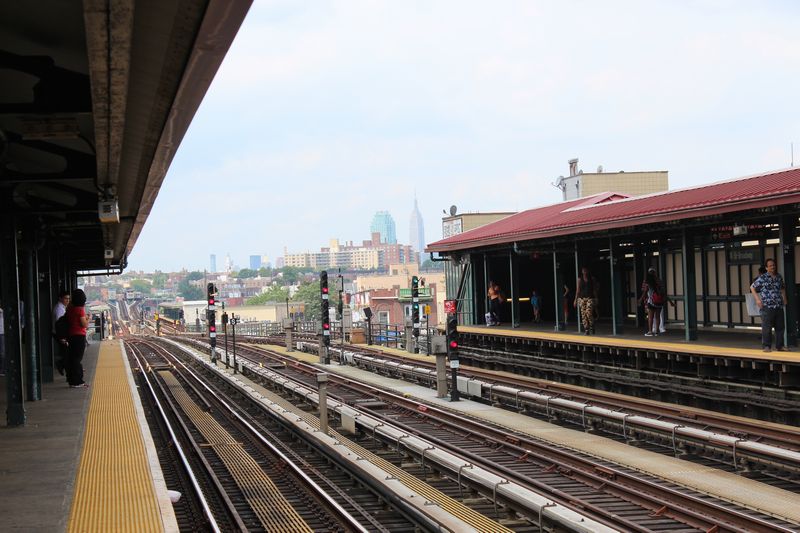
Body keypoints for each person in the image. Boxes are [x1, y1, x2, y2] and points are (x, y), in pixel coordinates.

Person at [750, 258, 789, 353]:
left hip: (778, 305)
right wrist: (758, 300)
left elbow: (782, 288)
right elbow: (752, 287)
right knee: (767, 327)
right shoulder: (763, 278)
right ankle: (766, 346)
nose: (773, 267)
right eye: (770, 265)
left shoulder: (779, 277)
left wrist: (785, 298)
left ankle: (780, 346)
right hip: (767, 306)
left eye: (773, 265)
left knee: (780, 327)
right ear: (766, 268)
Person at [65, 289, 90, 388]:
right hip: (79, 336)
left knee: (72, 358)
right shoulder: (80, 309)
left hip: (71, 335)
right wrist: (88, 318)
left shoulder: (69, 308)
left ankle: (72, 380)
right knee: (77, 359)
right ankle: (77, 381)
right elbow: (84, 325)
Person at [640, 267, 664, 337]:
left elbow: (644, 291)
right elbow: (663, 292)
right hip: (659, 301)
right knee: (657, 317)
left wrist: (641, 299)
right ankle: (657, 331)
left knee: (650, 317)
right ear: (655, 273)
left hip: (651, 301)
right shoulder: (659, 281)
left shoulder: (648, 281)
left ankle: (650, 331)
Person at [574, 267, 597, 334]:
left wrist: (596, 298)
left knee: (588, 312)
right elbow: (577, 290)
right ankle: (586, 329)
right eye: (583, 271)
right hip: (581, 298)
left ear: (588, 271)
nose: (585, 272)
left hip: (590, 297)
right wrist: (575, 300)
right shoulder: (579, 279)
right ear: (582, 272)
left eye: (586, 271)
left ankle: (592, 325)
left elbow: (594, 289)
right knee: (583, 314)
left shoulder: (592, 279)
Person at [52, 290, 70, 375]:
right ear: (60, 298)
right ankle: (61, 364)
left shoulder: (61, 307)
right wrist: (62, 337)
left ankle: (65, 366)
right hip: (60, 334)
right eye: (66, 298)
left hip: (60, 334)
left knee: (66, 352)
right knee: (66, 352)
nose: (67, 300)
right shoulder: (59, 309)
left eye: (68, 299)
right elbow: (59, 324)